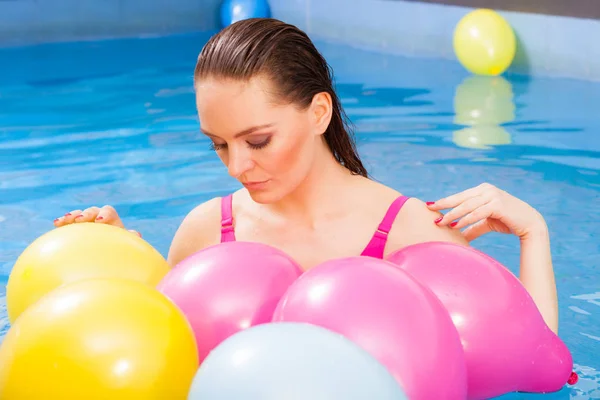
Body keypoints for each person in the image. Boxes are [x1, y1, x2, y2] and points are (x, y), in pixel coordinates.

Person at [53, 18, 558, 334]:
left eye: (257, 141)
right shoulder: (206, 231)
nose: (236, 167)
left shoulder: (412, 233)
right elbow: (161, 356)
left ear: (319, 113)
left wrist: (533, 233)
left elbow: (529, 367)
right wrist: (122, 265)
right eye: (218, 144)